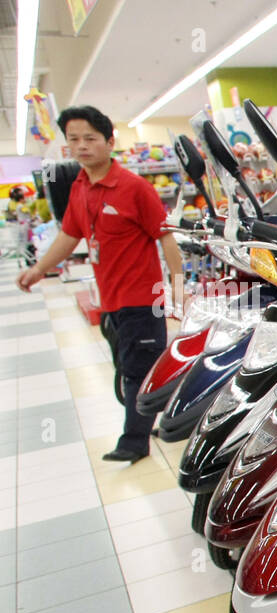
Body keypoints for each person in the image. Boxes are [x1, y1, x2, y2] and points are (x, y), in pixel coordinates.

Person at [16, 105, 186, 464]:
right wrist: (38, 269)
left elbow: (166, 235)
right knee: (131, 367)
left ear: (110, 142)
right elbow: (68, 236)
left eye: (90, 138)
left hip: (141, 298)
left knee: (138, 371)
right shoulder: (80, 187)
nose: (81, 146)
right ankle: (168, 418)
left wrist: (178, 284)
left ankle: (134, 441)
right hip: (109, 298)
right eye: (74, 139)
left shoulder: (134, 187)